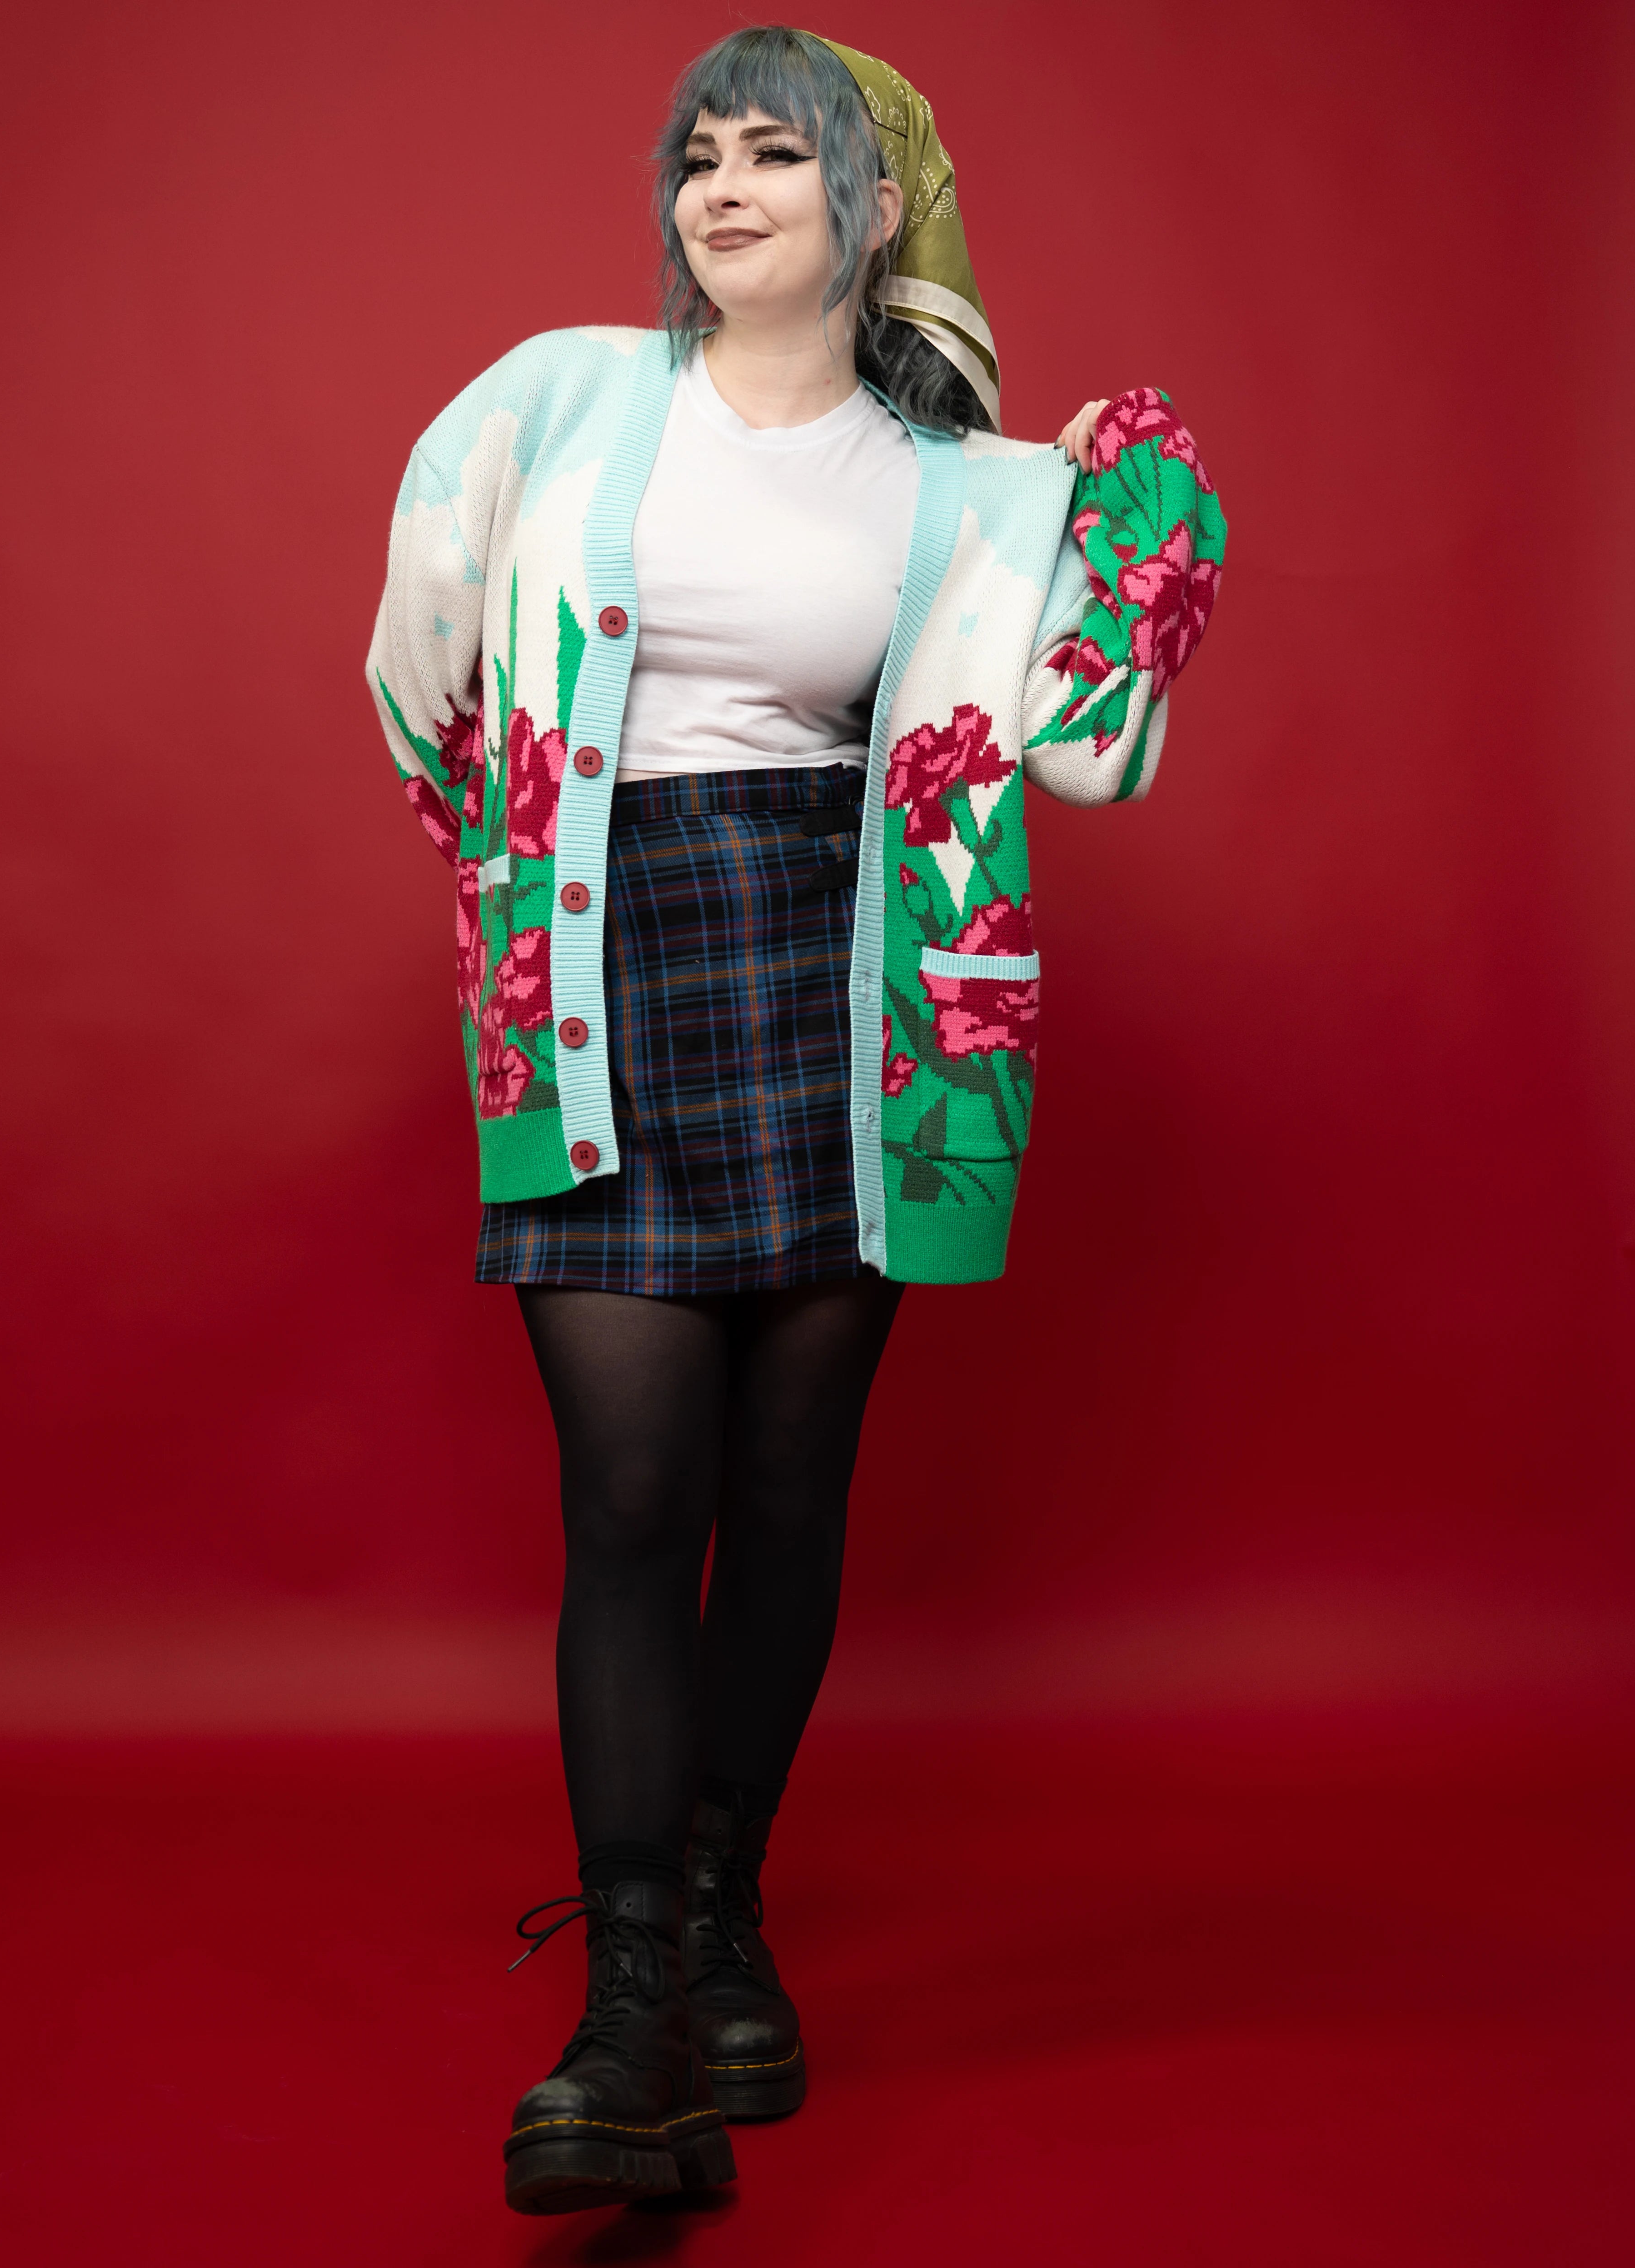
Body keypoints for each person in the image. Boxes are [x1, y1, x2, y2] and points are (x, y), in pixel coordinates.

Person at [367, 24, 1226, 2218]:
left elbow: (1094, 752)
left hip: (863, 997)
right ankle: (631, 2006)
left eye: (775, 154)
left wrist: (1141, 493)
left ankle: (727, 1910)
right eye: (700, 158)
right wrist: (514, 886)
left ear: (875, 205)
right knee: (633, 1488)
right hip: (598, 972)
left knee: (785, 1487)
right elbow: (418, 670)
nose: (723, 191)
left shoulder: (981, 488)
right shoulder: (554, 398)